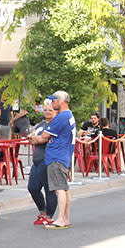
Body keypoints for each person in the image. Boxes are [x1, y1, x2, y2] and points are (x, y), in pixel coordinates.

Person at [28, 90, 75, 230]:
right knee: (65, 189)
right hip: (63, 156)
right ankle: (65, 218)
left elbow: (43, 137)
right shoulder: (69, 115)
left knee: (59, 189)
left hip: (56, 157)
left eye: (54, 101)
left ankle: (60, 219)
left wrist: (33, 138)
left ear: (61, 102)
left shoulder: (61, 117)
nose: (52, 104)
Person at [26, 98, 57, 226]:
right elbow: (30, 137)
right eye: (45, 110)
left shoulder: (55, 124)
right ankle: (42, 212)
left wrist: (35, 138)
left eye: (50, 110)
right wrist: (34, 138)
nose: (47, 112)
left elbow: (41, 140)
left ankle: (49, 216)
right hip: (37, 161)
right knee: (32, 187)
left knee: (49, 190)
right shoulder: (41, 124)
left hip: (48, 160)